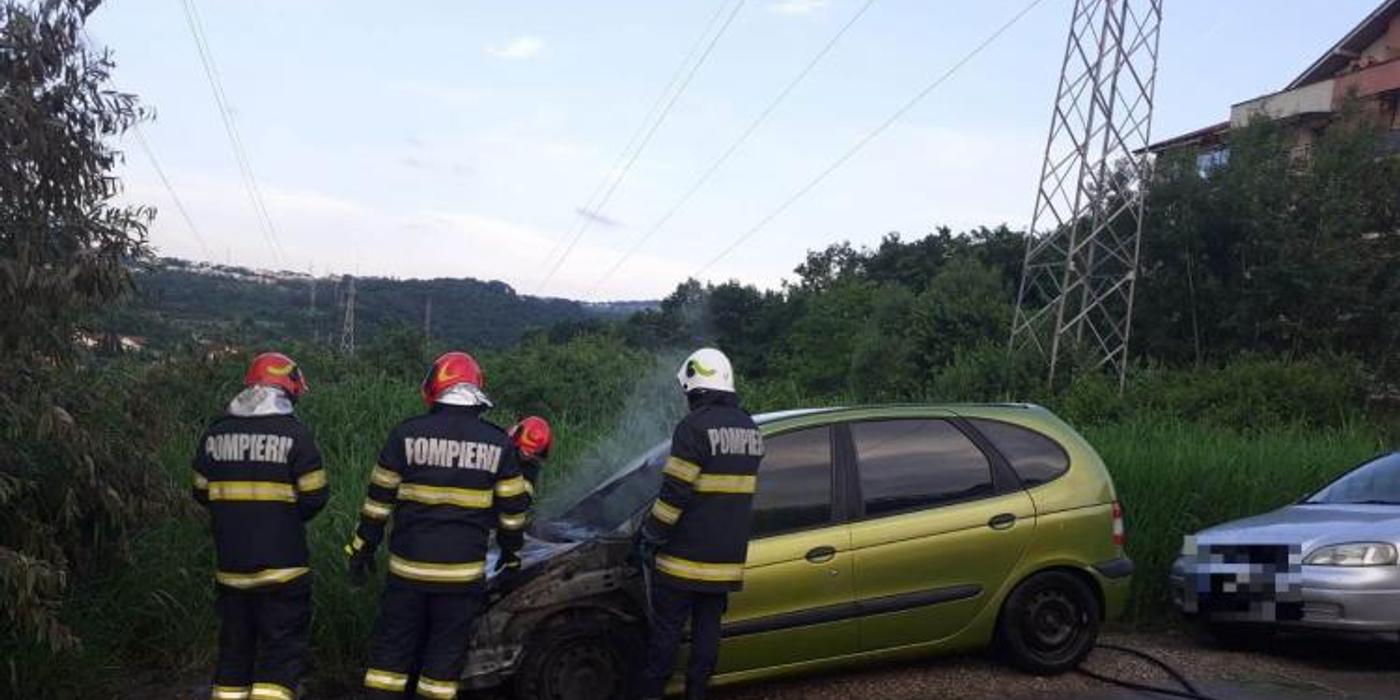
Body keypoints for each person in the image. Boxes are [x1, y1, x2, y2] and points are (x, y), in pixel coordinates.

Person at [346, 351, 530, 700]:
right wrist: (511, 555)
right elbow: (513, 514)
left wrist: (362, 552)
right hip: (461, 578)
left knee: (389, 661)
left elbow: (376, 506)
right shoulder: (498, 444)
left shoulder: (405, 435)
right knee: (442, 666)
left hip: (407, 573)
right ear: (476, 390)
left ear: (434, 389)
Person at [192, 352, 328, 700]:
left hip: (231, 572)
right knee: (280, 658)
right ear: (290, 387)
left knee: (234, 657)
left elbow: (201, 491)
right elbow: (315, 497)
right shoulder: (296, 436)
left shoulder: (215, 435)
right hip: (283, 572)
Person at [636, 348, 764, 700]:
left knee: (665, 637)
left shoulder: (693, 428)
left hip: (682, 562)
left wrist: (650, 535)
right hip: (725, 562)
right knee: (708, 635)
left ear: (697, 386)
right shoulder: (752, 430)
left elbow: (674, 494)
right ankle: (697, 694)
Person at [496, 416, 553, 578]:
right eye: (523, 450)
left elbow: (517, 506)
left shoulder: (531, 467)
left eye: (531, 452)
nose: (527, 454)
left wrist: (510, 551)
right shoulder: (498, 444)